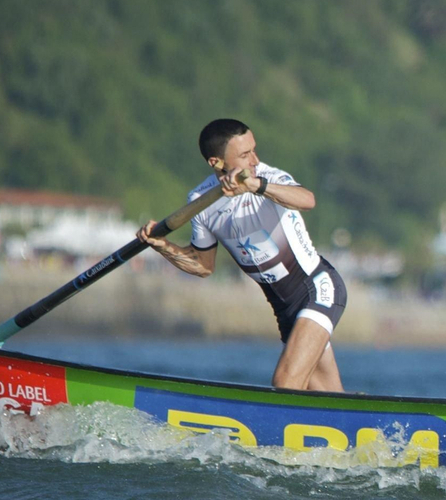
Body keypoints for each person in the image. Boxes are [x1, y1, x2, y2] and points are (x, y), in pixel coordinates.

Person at [139, 118, 346, 391]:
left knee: (286, 383)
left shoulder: (268, 177)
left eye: (254, 150)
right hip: (284, 309)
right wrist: (163, 246)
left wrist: (256, 186)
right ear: (216, 162)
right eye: (245, 155)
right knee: (328, 397)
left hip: (317, 288)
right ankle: (366, 432)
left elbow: (307, 200)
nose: (255, 160)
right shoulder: (201, 202)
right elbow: (203, 266)